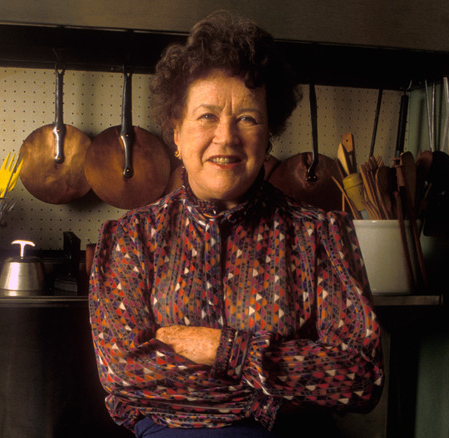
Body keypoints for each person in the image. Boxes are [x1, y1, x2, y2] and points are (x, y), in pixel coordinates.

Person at [88, 10, 384, 437]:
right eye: (207, 116)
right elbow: (123, 373)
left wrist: (224, 349)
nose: (226, 137)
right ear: (176, 133)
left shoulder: (319, 234)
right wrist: (277, 386)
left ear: (269, 135)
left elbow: (360, 376)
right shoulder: (132, 238)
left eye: (247, 118)